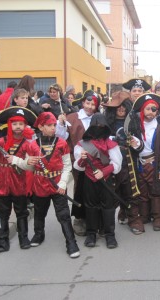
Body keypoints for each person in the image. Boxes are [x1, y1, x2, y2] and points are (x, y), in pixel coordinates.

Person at [25, 112, 80, 258]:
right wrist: (27, 162)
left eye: (54, 125)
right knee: (39, 211)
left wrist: (62, 183)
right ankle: (39, 234)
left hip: (57, 184)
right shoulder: (32, 145)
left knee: (63, 214)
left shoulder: (62, 143)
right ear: (41, 127)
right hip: (40, 184)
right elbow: (27, 167)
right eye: (49, 125)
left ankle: (71, 242)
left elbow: (67, 165)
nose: (53, 128)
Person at [0, 106, 37, 252]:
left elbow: (30, 167)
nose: (18, 127)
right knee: (3, 212)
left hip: (19, 181)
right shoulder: (1, 143)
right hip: (2, 181)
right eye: (15, 124)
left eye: (21, 124)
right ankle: (3, 241)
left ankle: (24, 238)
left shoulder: (27, 145)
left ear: (25, 126)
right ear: (9, 125)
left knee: (21, 211)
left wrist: (15, 160)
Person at [74, 113, 122, 248]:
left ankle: (110, 235)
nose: (98, 128)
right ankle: (91, 234)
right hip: (89, 180)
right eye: (96, 126)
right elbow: (78, 166)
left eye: (101, 126)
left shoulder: (111, 144)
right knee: (90, 207)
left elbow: (116, 164)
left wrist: (104, 172)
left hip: (105, 180)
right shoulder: (82, 144)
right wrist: (82, 158)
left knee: (108, 207)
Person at [102, 91, 145, 234]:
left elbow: (141, 146)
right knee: (110, 193)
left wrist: (135, 142)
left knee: (131, 192)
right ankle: (106, 226)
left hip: (129, 162)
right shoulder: (105, 122)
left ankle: (134, 219)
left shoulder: (134, 122)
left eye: (124, 106)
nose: (121, 109)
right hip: (110, 164)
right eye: (117, 106)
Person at [60, 90, 100, 236]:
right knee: (80, 188)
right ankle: (79, 218)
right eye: (88, 103)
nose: (90, 106)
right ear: (83, 102)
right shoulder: (71, 117)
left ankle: (93, 219)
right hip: (77, 160)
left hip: (96, 159)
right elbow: (62, 136)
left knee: (94, 189)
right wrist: (60, 124)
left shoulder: (98, 118)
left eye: (93, 104)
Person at [133, 93, 160, 231]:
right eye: (148, 109)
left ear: (157, 112)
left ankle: (158, 217)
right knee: (142, 190)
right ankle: (144, 215)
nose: (150, 112)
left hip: (154, 163)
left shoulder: (159, 128)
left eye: (154, 110)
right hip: (140, 164)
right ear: (142, 110)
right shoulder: (136, 126)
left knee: (157, 190)